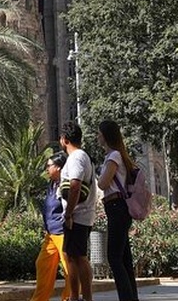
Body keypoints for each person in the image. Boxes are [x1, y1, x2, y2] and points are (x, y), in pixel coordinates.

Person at [96, 119, 139, 301]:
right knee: (124, 258)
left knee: (114, 257)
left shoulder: (113, 156)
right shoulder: (118, 155)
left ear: (105, 136)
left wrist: (98, 176)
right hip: (117, 208)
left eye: (99, 133)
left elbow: (103, 183)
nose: (97, 136)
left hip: (116, 207)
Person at [59, 122, 96, 301]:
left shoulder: (76, 158)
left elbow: (75, 186)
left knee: (76, 258)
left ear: (65, 140)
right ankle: (82, 297)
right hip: (81, 215)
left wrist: (68, 214)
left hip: (77, 216)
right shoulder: (81, 156)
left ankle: (78, 297)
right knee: (75, 256)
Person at [30, 151, 71, 301]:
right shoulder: (52, 184)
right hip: (50, 233)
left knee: (68, 269)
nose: (47, 169)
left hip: (62, 232)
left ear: (59, 167)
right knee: (42, 264)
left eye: (49, 166)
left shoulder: (65, 184)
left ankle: (69, 298)